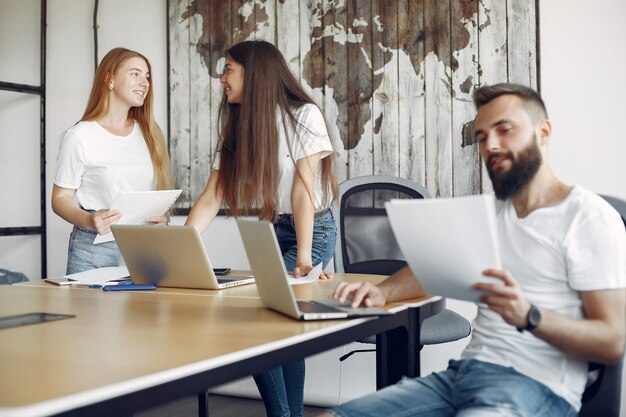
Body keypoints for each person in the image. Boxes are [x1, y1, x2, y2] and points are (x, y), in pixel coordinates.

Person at [323, 83, 626, 417]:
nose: (491, 145)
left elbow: (611, 342)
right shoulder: (489, 212)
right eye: (482, 137)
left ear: (543, 132)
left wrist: (529, 315)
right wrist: (384, 292)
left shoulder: (589, 218)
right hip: (461, 377)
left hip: (537, 386)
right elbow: (431, 268)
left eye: (504, 130)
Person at [185, 40, 338, 417]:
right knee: (280, 325)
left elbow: (304, 190)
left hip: (312, 229)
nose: (222, 78)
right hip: (276, 228)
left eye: (229, 69)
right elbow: (212, 196)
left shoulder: (304, 116)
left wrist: (305, 257)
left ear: (254, 74)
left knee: (260, 319)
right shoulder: (240, 126)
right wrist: (181, 243)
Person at [52, 47, 173, 275]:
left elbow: (155, 191)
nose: (145, 83)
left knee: (142, 312)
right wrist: (89, 219)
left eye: (147, 76)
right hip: (93, 251)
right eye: (135, 73)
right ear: (109, 79)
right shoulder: (79, 136)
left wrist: (162, 217)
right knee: (90, 312)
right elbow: (60, 198)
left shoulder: (150, 133)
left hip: (143, 247)